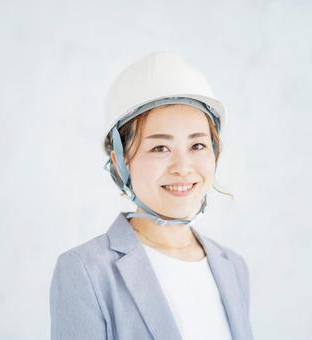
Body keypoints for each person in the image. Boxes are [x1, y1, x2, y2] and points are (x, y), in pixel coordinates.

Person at [50, 52, 253, 340]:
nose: (183, 167)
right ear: (120, 161)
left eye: (197, 145)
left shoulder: (233, 266)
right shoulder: (85, 271)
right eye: (160, 148)